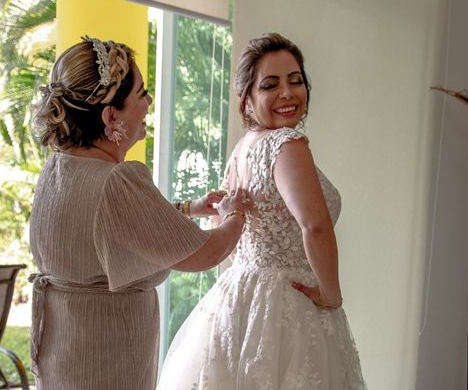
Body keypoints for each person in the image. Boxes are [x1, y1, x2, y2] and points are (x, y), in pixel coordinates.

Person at [29, 36, 246, 390]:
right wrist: (235, 214)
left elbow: (111, 227)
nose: (148, 103)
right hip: (107, 359)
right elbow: (204, 253)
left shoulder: (58, 168)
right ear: (111, 115)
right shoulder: (116, 181)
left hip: (65, 352)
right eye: (141, 94)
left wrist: (189, 209)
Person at [157, 33, 366, 389]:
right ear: (248, 98)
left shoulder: (243, 149)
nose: (287, 93)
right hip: (290, 305)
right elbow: (314, 225)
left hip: (237, 297)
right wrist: (332, 295)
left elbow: (233, 236)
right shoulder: (287, 143)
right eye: (271, 84)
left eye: (295, 81)